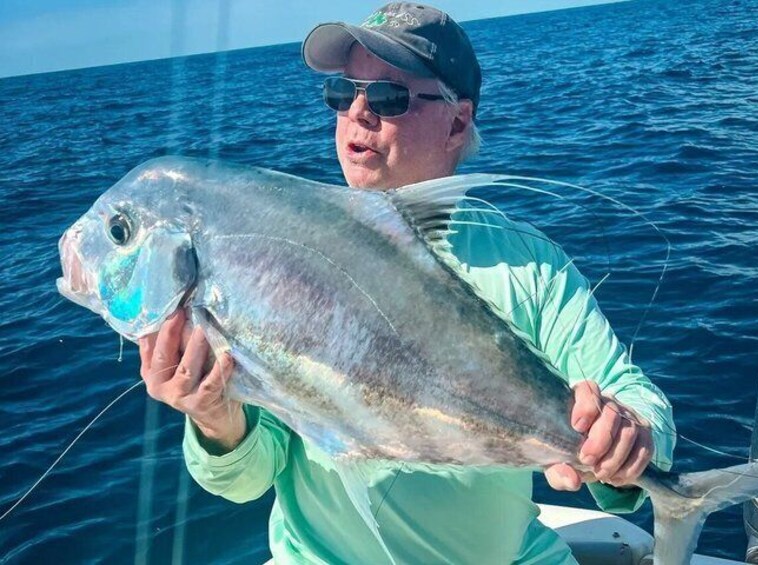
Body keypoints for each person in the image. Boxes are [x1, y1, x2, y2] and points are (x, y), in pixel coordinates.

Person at [139, 3, 675, 563]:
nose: (358, 112)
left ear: (457, 122)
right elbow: (248, 478)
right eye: (343, 93)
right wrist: (212, 417)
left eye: (389, 97)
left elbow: (634, 397)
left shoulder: (526, 264)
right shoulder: (287, 260)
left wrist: (628, 437)